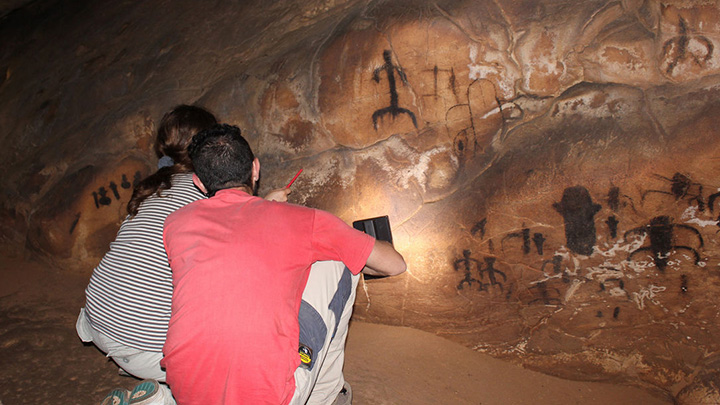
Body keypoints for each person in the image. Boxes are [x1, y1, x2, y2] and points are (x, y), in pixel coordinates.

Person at [162, 124, 406, 405]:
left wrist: (265, 206)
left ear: (199, 183)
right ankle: (325, 398)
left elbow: (235, 230)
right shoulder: (304, 220)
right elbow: (394, 265)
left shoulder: (177, 224)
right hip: (268, 396)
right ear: (255, 168)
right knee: (339, 262)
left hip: (187, 390)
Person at [76, 106, 290, 393]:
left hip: (97, 318)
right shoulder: (205, 198)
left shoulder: (153, 187)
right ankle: (162, 398)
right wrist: (266, 207)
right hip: (145, 345)